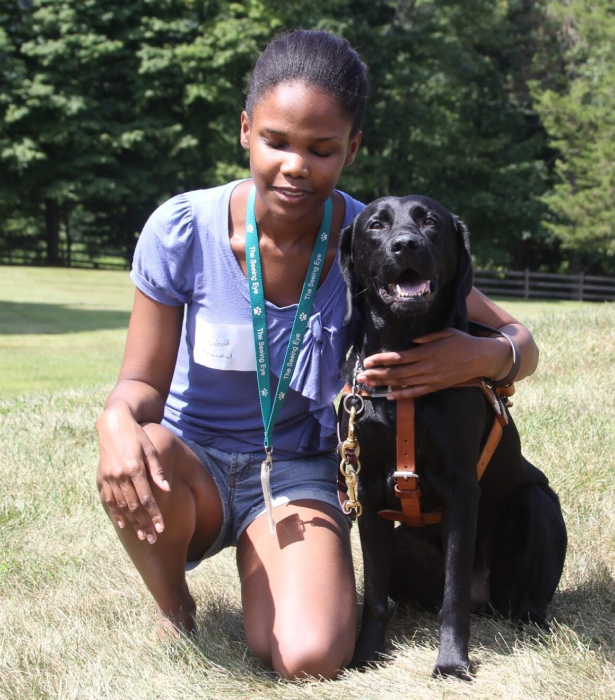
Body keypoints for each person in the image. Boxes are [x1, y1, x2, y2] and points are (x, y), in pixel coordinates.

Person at [95, 29, 539, 681]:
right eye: (276, 140)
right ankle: (176, 607)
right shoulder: (182, 229)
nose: (295, 165)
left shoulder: (374, 238)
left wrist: (479, 360)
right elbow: (140, 382)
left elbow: (519, 343)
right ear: (246, 130)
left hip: (299, 472)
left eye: (321, 148)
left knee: (308, 656)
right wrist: (114, 423)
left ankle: (268, 566)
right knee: (145, 449)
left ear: (351, 149)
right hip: (196, 463)